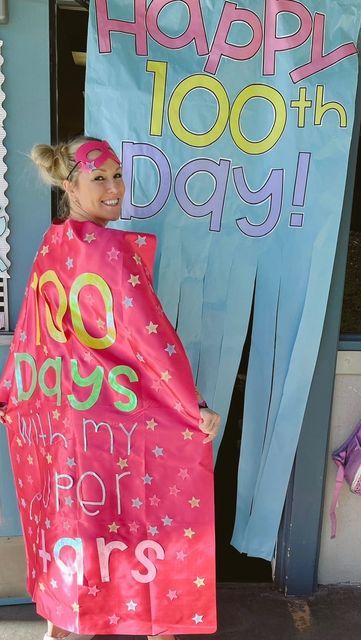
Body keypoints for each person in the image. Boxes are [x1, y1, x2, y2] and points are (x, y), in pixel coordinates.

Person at [0, 137, 220, 640]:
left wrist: (11, 392)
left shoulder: (51, 248)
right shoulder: (110, 253)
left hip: (66, 422)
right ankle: (143, 620)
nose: (115, 187)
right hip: (111, 423)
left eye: (118, 175)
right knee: (136, 517)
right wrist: (193, 406)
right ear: (70, 186)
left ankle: (63, 626)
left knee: (74, 522)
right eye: (99, 177)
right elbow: (151, 339)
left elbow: (30, 333)